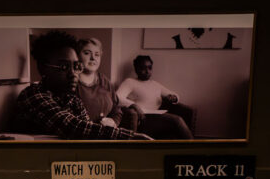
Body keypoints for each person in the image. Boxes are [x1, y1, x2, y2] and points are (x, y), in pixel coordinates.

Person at [12, 31, 151, 140]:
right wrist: (129, 137)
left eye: (76, 66)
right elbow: (73, 127)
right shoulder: (33, 95)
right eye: (64, 66)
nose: (73, 74)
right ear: (43, 68)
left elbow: (88, 133)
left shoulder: (72, 99)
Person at [116, 55, 194, 139]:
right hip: (144, 116)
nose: (147, 71)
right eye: (143, 68)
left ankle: (182, 147)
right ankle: (194, 147)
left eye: (150, 68)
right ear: (136, 69)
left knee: (183, 115)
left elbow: (172, 94)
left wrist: (174, 97)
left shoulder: (154, 84)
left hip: (158, 114)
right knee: (177, 120)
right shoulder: (130, 82)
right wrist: (135, 106)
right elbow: (117, 97)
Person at [75, 37, 137, 130]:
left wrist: (113, 121)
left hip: (106, 133)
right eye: (87, 53)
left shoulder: (105, 81)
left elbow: (116, 109)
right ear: (77, 55)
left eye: (97, 54)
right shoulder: (72, 81)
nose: (93, 58)